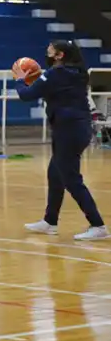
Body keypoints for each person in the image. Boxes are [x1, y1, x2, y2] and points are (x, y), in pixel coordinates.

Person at [14, 41, 108, 240]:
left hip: (69, 130)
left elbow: (26, 95)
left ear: (59, 55)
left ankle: (98, 225)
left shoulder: (55, 74)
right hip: (77, 128)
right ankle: (50, 222)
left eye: (49, 52)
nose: (46, 55)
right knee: (55, 174)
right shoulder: (77, 73)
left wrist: (20, 79)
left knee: (71, 179)